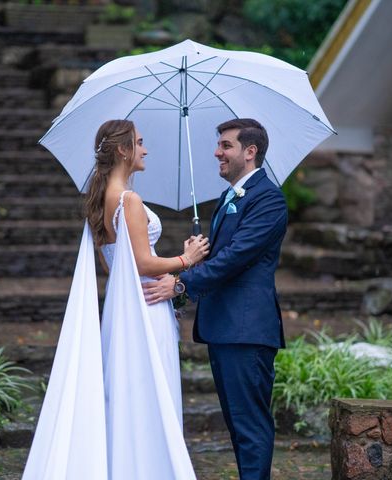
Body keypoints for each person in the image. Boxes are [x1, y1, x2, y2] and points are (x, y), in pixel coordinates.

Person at [23, 119, 208, 480]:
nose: (145, 149)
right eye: (139, 142)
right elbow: (141, 261)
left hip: (125, 309)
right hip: (146, 309)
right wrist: (187, 259)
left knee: (130, 391)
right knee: (149, 391)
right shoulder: (129, 199)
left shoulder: (100, 199)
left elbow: (116, 265)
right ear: (123, 150)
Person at [143, 118, 288, 480]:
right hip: (225, 327)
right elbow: (223, 258)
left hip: (246, 329)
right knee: (238, 426)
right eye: (219, 145)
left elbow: (237, 258)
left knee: (250, 426)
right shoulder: (229, 196)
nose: (217, 152)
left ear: (250, 152)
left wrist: (180, 284)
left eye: (226, 145)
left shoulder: (268, 199)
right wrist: (193, 256)